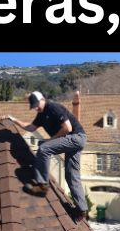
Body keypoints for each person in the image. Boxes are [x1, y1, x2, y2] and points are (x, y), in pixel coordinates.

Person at [8, 91, 88, 221]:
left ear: (42, 99)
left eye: (36, 105)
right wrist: (13, 120)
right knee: (71, 175)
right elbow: (30, 127)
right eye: (33, 106)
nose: (36, 108)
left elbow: (67, 128)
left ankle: (42, 185)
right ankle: (81, 210)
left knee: (44, 148)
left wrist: (51, 140)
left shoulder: (53, 107)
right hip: (75, 140)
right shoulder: (41, 115)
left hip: (76, 137)